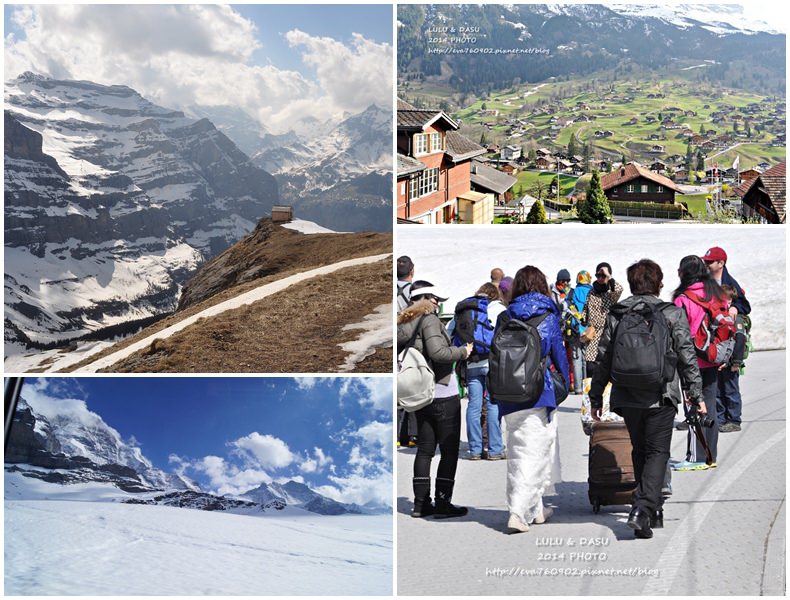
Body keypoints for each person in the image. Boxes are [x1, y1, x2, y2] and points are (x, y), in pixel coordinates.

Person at [590, 259, 703, 539]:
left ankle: (648, 512)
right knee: (658, 453)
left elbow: (603, 357)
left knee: (640, 450)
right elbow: (687, 355)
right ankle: (643, 509)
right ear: (658, 283)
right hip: (661, 394)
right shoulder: (670, 313)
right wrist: (695, 394)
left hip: (627, 395)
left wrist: (596, 397)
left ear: (631, 283)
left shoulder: (618, 312)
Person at [492, 266, 569, 533]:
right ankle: (517, 512)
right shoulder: (548, 316)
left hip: (509, 395)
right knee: (533, 454)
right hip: (539, 391)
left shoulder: (505, 316)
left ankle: (536, 509)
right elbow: (559, 353)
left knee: (519, 450)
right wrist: (565, 386)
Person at [397, 281, 473, 519]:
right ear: (424, 299)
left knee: (425, 450)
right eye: (434, 299)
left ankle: (420, 504)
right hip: (441, 391)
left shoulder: (403, 321)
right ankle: (442, 503)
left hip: (420, 394)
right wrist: (463, 352)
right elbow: (438, 353)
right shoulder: (429, 319)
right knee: (448, 451)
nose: (437, 303)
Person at [672, 255, 726, 471]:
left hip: (691, 361)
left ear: (684, 273)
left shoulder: (683, 298)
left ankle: (696, 458)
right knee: (709, 406)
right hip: (712, 358)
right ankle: (710, 456)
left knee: (694, 407)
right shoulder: (715, 293)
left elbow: (679, 332)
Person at [450, 283, 507, 461]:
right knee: (492, 403)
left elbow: (449, 332)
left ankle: (475, 449)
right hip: (492, 361)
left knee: (474, 405)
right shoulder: (497, 308)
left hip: (471, 361)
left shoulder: (464, 308)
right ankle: (495, 449)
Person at [702, 247, 751, 434]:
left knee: (730, 386)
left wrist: (736, 309)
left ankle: (734, 419)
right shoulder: (705, 281)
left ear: (721, 264)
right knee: (716, 385)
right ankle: (720, 418)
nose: (706, 265)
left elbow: (744, 304)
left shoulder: (730, 283)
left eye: (710, 262)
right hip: (715, 343)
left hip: (730, 344)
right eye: (705, 262)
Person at [583, 262, 623, 379]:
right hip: (592, 333)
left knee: (606, 365)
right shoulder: (592, 291)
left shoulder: (611, 291)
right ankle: (590, 394)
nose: (600, 278)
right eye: (598, 275)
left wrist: (609, 277)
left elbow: (619, 290)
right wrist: (583, 318)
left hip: (607, 334)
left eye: (603, 276)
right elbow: (586, 307)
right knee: (590, 366)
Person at [717, 284, 747, 432]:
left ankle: (734, 419)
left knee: (731, 391)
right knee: (718, 391)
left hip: (731, 362)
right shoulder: (718, 316)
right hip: (719, 361)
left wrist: (736, 361)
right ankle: (720, 418)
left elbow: (740, 340)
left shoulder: (737, 319)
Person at [396, 256, 418, 448]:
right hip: (408, 342)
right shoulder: (415, 290)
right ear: (412, 271)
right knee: (410, 387)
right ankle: (411, 436)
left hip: (393, 339)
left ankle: (396, 437)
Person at [567, 270, 593, 394]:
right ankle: (587, 387)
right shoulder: (593, 292)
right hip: (589, 330)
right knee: (587, 358)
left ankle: (578, 388)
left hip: (574, 330)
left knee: (576, 358)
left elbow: (565, 308)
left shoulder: (572, 292)